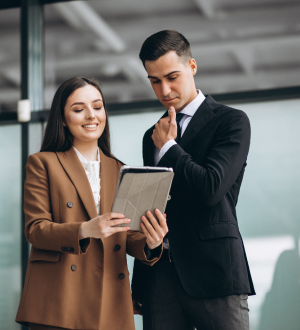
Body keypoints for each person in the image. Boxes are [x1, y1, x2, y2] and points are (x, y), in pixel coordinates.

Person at [15, 77, 168, 330]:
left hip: (110, 300)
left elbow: (125, 233)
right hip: (60, 300)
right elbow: (36, 229)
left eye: (97, 107)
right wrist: (86, 229)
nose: (91, 116)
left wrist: (152, 241)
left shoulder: (120, 169)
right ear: (62, 119)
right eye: (78, 109)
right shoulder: (43, 163)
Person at [131, 30, 255, 330]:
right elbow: (157, 203)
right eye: (155, 80)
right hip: (161, 274)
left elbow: (210, 188)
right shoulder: (153, 135)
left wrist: (170, 148)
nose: (164, 89)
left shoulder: (231, 121)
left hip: (215, 272)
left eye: (172, 76)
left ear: (193, 67)